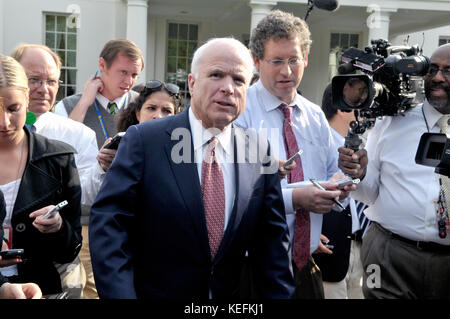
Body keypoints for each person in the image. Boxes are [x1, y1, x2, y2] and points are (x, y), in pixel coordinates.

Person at [89, 37, 295, 299]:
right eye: (216, 75)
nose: (228, 88)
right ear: (192, 83)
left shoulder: (258, 151)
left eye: (239, 80)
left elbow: (273, 246)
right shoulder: (144, 140)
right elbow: (109, 226)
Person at [235, 10, 352, 299]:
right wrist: (294, 199)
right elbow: (230, 193)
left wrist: (340, 186)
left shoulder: (314, 115)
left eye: (293, 60)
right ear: (257, 61)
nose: (286, 72)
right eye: (276, 61)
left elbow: (329, 175)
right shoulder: (239, 111)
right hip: (252, 269)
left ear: (307, 59)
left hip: (306, 266)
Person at [338, 43, 450, 299]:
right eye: (432, 69)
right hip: (389, 252)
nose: (438, 77)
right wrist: (361, 173)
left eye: (448, 71)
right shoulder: (392, 122)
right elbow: (369, 194)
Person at [11, 43, 102, 299]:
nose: (43, 89)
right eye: (34, 79)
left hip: (55, 270)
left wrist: (57, 222)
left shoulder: (77, 135)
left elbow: (86, 199)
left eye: (51, 81)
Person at [0, 54, 82, 295]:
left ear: (26, 100)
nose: (4, 122)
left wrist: (58, 227)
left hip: (42, 288)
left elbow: (72, 248)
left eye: (13, 109)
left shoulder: (58, 159)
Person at [313, 84, 369, 299]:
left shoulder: (363, 147)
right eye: (361, 105)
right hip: (328, 250)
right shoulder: (317, 142)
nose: (368, 114)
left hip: (359, 248)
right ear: (343, 107)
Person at [54, 39, 144, 149]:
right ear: (102, 65)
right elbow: (63, 146)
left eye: (134, 75)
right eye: (123, 72)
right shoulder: (67, 106)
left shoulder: (143, 104)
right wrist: (84, 103)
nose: (129, 82)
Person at [116, 80, 181, 132]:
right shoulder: (120, 146)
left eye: (167, 111)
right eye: (151, 108)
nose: (158, 116)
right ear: (138, 114)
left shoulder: (185, 147)